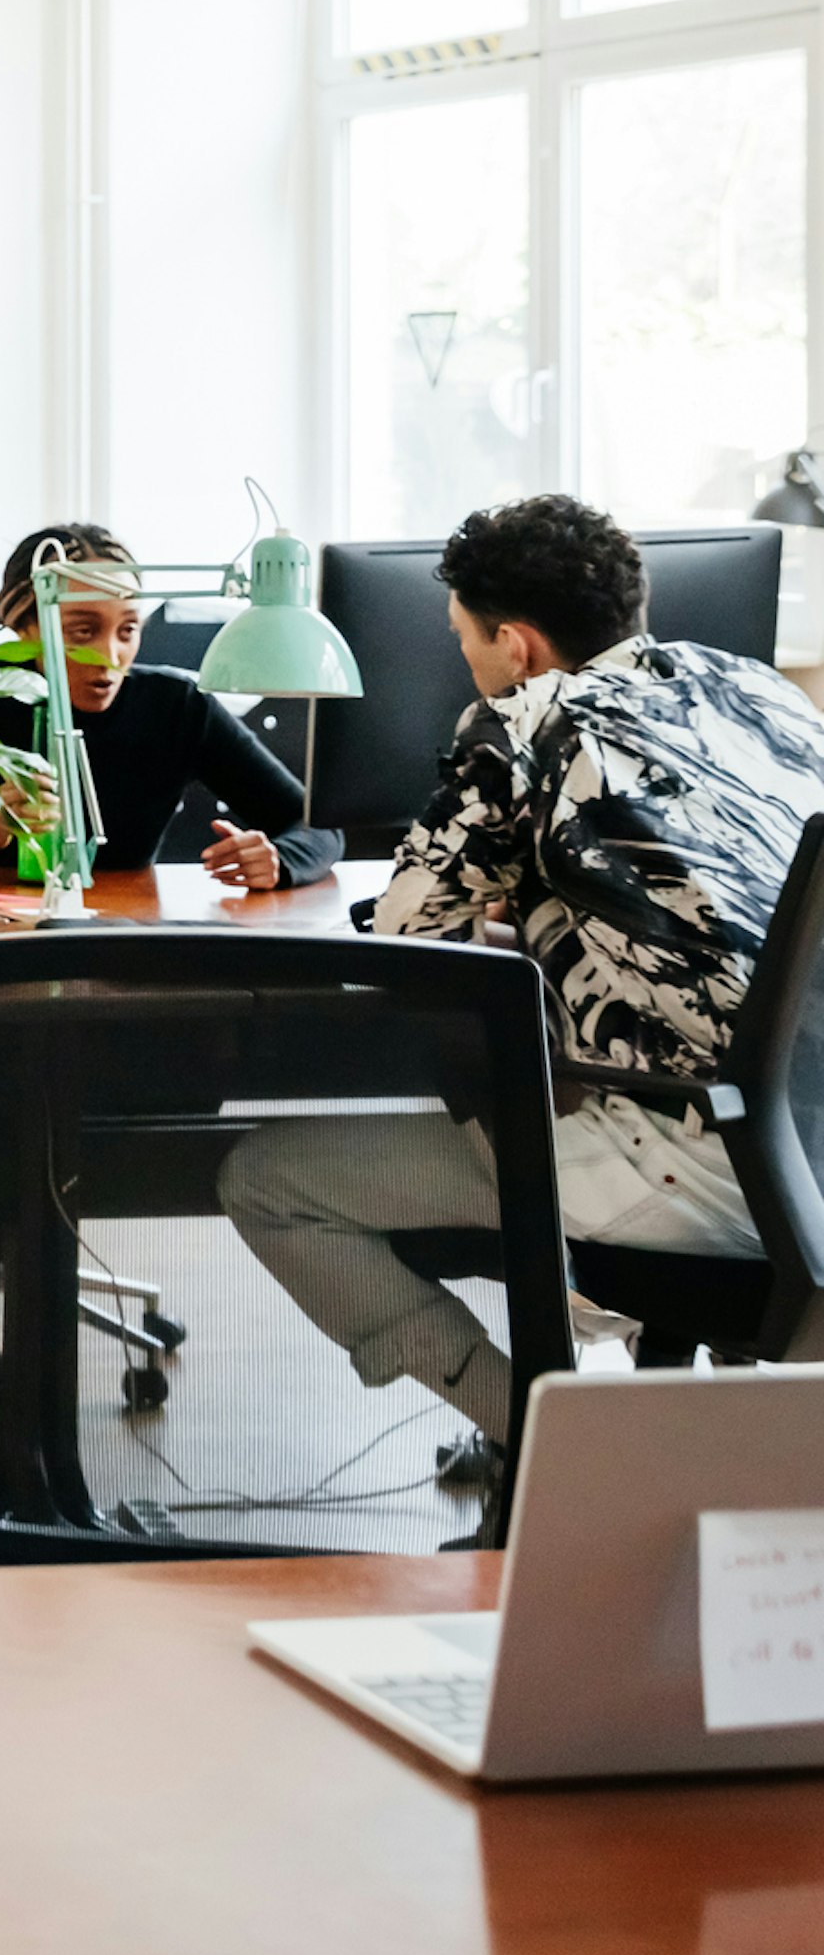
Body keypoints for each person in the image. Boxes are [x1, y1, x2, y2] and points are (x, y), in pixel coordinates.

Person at [219, 494, 824, 1439]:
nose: (462, 662)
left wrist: (501, 904)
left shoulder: (525, 723)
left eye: (463, 640)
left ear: (517, 646)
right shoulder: (762, 693)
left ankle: (552, 1443)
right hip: (808, 1154)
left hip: (696, 1159)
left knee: (267, 1181)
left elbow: (408, 942)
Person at [0, 521, 340, 891]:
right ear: (25, 627)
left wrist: (278, 860)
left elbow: (317, 827)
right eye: (83, 631)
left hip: (128, 935)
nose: (109, 655)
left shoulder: (175, 707)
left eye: (127, 630)